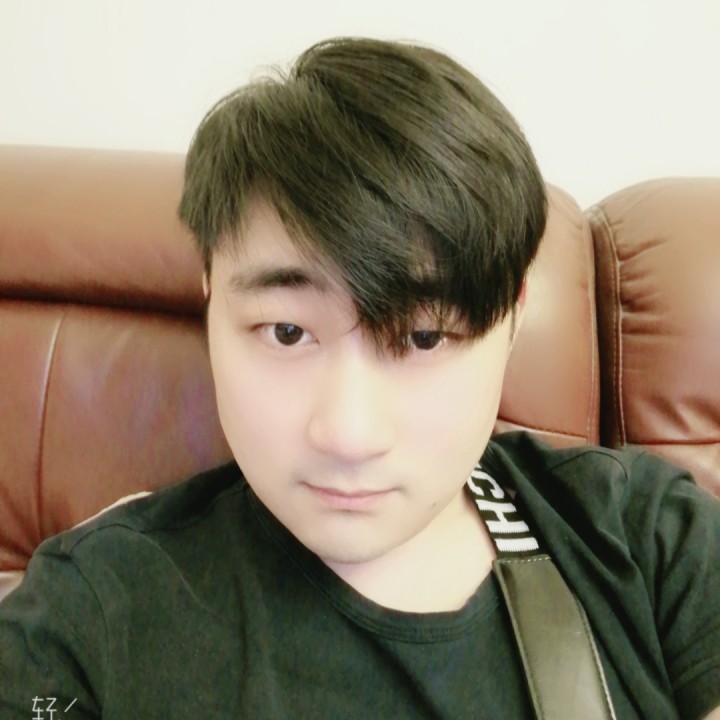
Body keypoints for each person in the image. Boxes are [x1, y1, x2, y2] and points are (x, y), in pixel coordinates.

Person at [1, 37, 718, 720]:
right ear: (211, 298)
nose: (348, 434)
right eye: (287, 332)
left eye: (424, 337)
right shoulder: (88, 611)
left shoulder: (648, 537)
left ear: (511, 318)